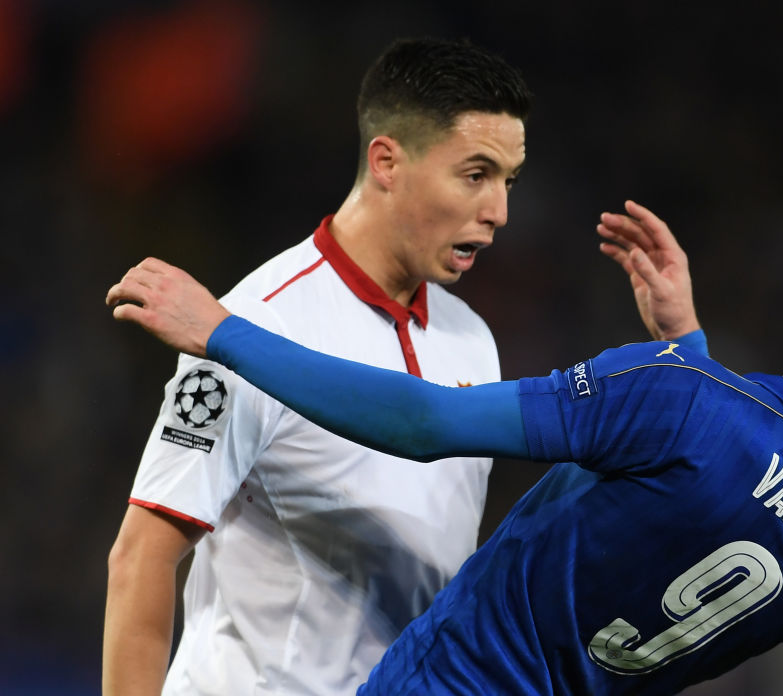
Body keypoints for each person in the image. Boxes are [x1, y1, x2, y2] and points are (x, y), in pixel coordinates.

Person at [107, 229, 783, 694]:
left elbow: (425, 420)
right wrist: (688, 347)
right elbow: (718, 503)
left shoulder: (680, 400)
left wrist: (223, 332)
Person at [105, 37, 547, 696]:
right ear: (387, 161)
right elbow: (141, 558)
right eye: (475, 174)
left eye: (508, 180)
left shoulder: (473, 340)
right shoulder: (250, 328)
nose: (499, 212)